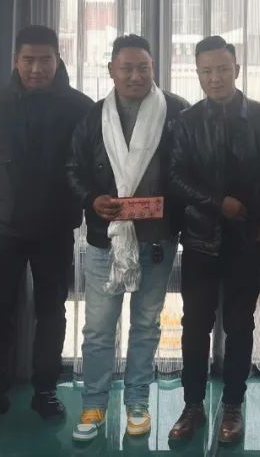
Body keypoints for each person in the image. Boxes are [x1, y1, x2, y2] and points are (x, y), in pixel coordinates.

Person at [0, 25, 93, 429]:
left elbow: (89, 161)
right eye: (28, 60)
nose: (37, 68)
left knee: (52, 311)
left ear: (58, 60)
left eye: (45, 60)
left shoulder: (80, 108)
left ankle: (45, 389)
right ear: (15, 61)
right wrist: (4, 190)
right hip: (4, 227)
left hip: (55, 226)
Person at [65, 35, 189, 443]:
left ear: (154, 69)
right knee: (99, 329)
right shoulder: (93, 117)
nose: (136, 76)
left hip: (156, 240)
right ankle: (94, 403)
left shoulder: (176, 112)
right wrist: (91, 198)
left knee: (146, 325)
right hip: (107, 239)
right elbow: (73, 167)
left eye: (143, 68)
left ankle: (137, 401)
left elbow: (189, 170)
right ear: (111, 71)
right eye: (127, 68)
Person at [166, 36, 260, 444]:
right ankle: (192, 405)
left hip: (248, 239)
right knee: (195, 326)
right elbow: (174, 177)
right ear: (197, 73)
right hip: (200, 239)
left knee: (240, 325)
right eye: (206, 71)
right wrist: (219, 203)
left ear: (237, 69)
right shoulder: (185, 121)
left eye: (222, 69)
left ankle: (233, 404)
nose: (215, 78)